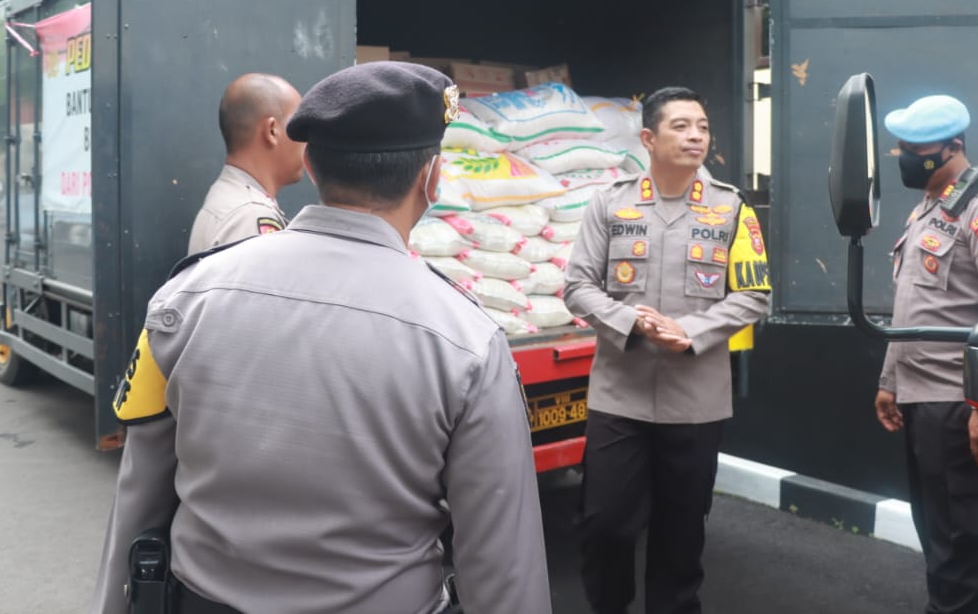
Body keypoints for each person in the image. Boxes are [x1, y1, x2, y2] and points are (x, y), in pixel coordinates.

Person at [92, 62, 551, 614]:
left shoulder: (184, 299)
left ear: (309, 164)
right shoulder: (466, 341)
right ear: (432, 179)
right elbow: (503, 565)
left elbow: (138, 499)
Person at [564, 86, 771, 614]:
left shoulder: (732, 208)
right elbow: (578, 286)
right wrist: (630, 321)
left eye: (702, 126)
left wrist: (692, 333)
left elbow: (754, 293)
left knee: (681, 537)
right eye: (681, 126)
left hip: (695, 401)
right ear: (649, 139)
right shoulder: (609, 203)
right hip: (619, 398)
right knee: (604, 526)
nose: (696, 135)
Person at [874, 94, 978, 614]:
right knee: (938, 536)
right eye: (902, 148)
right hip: (922, 400)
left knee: (962, 544)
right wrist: (891, 378)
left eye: (915, 149)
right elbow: (912, 304)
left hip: (959, 404)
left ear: (954, 148)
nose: (904, 158)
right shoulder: (928, 211)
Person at [186, 73, 305, 253]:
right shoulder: (251, 214)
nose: (306, 140)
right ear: (272, 131)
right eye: (299, 127)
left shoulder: (234, 202)